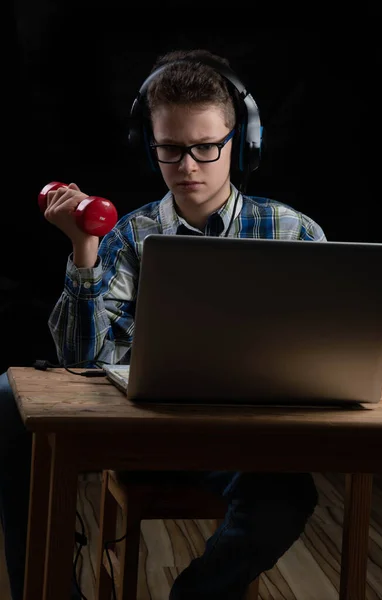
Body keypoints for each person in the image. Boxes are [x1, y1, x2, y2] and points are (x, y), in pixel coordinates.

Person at [0, 48, 326, 600]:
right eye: (169, 150)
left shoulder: (294, 232)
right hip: (145, 433)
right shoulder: (129, 236)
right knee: (7, 397)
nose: (188, 165)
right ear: (146, 146)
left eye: (205, 147)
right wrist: (85, 249)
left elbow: (327, 344)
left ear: (242, 143)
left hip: (247, 441)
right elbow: (80, 360)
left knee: (286, 495)